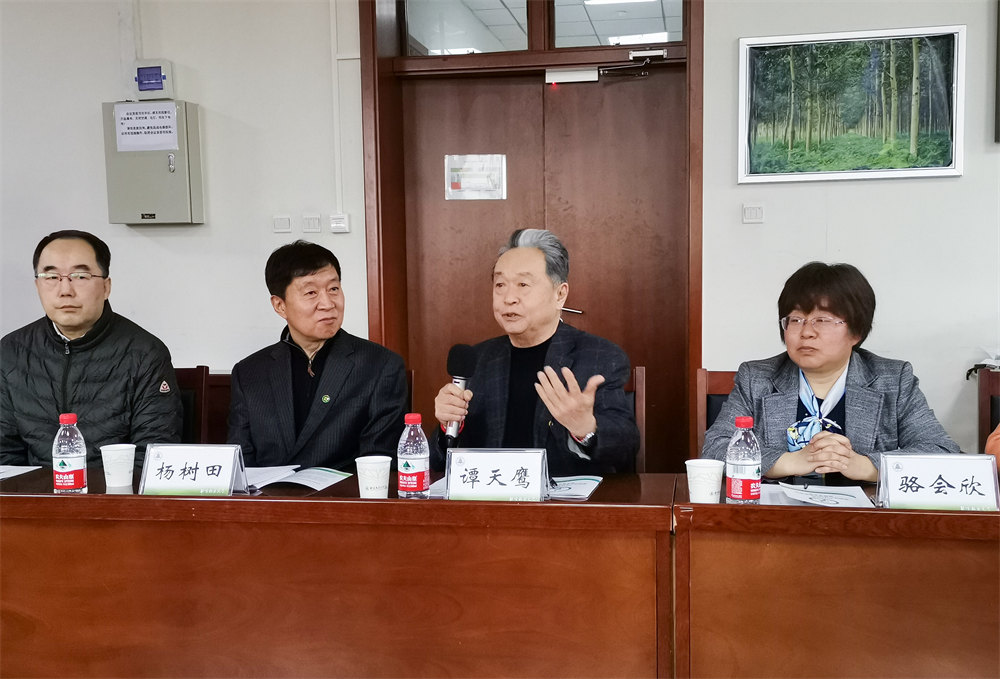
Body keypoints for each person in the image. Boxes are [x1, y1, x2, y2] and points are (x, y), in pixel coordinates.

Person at [701, 261, 959, 482]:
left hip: (865, 518)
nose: (806, 332)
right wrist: (788, 461)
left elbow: (942, 453)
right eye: (796, 319)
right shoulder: (757, 378)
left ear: (856, 332)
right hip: (778, 515)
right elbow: (714, 449)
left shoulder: (893, 379)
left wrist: (866, 466)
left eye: (822, 320)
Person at [432, 229, 639, 476]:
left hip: (564, 498)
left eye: (523, 284)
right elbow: (437, 463)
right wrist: (448, 425)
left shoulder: (599, 356)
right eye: (500, 285)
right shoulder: (477, 359)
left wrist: (586, 429)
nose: (509, 298)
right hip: (492, 494)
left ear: (560, 294)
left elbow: (626, 447)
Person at [1, 230, 182, 466]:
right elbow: (4, 455)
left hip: (114, 488)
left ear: (106, 287)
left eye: (80, 276)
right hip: (34, 489)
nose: (65, 290)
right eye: (51, 276)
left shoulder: (145, 353)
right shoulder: (11, 351)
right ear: (37, 285)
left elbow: (152, 456)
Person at [228, 240, 407, 469]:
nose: (328, 304)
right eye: (311, 292)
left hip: (344, 492)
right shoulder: (249, 372)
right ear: (280, 305)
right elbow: (240, 462)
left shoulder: (380, 366)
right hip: (269, 492)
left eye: (334, 289)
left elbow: (380, 463)